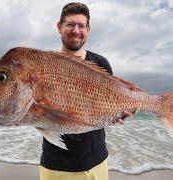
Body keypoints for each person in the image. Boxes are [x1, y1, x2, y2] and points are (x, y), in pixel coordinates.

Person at [39, 3, 131, 180]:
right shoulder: (46, 65)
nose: (76, 30)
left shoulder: (101, 63)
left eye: (81, 25)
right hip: (57, 167)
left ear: (88, 29)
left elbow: (115, 103)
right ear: (59, 27)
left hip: (97, 162)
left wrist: (121, 114)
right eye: (70, 24)